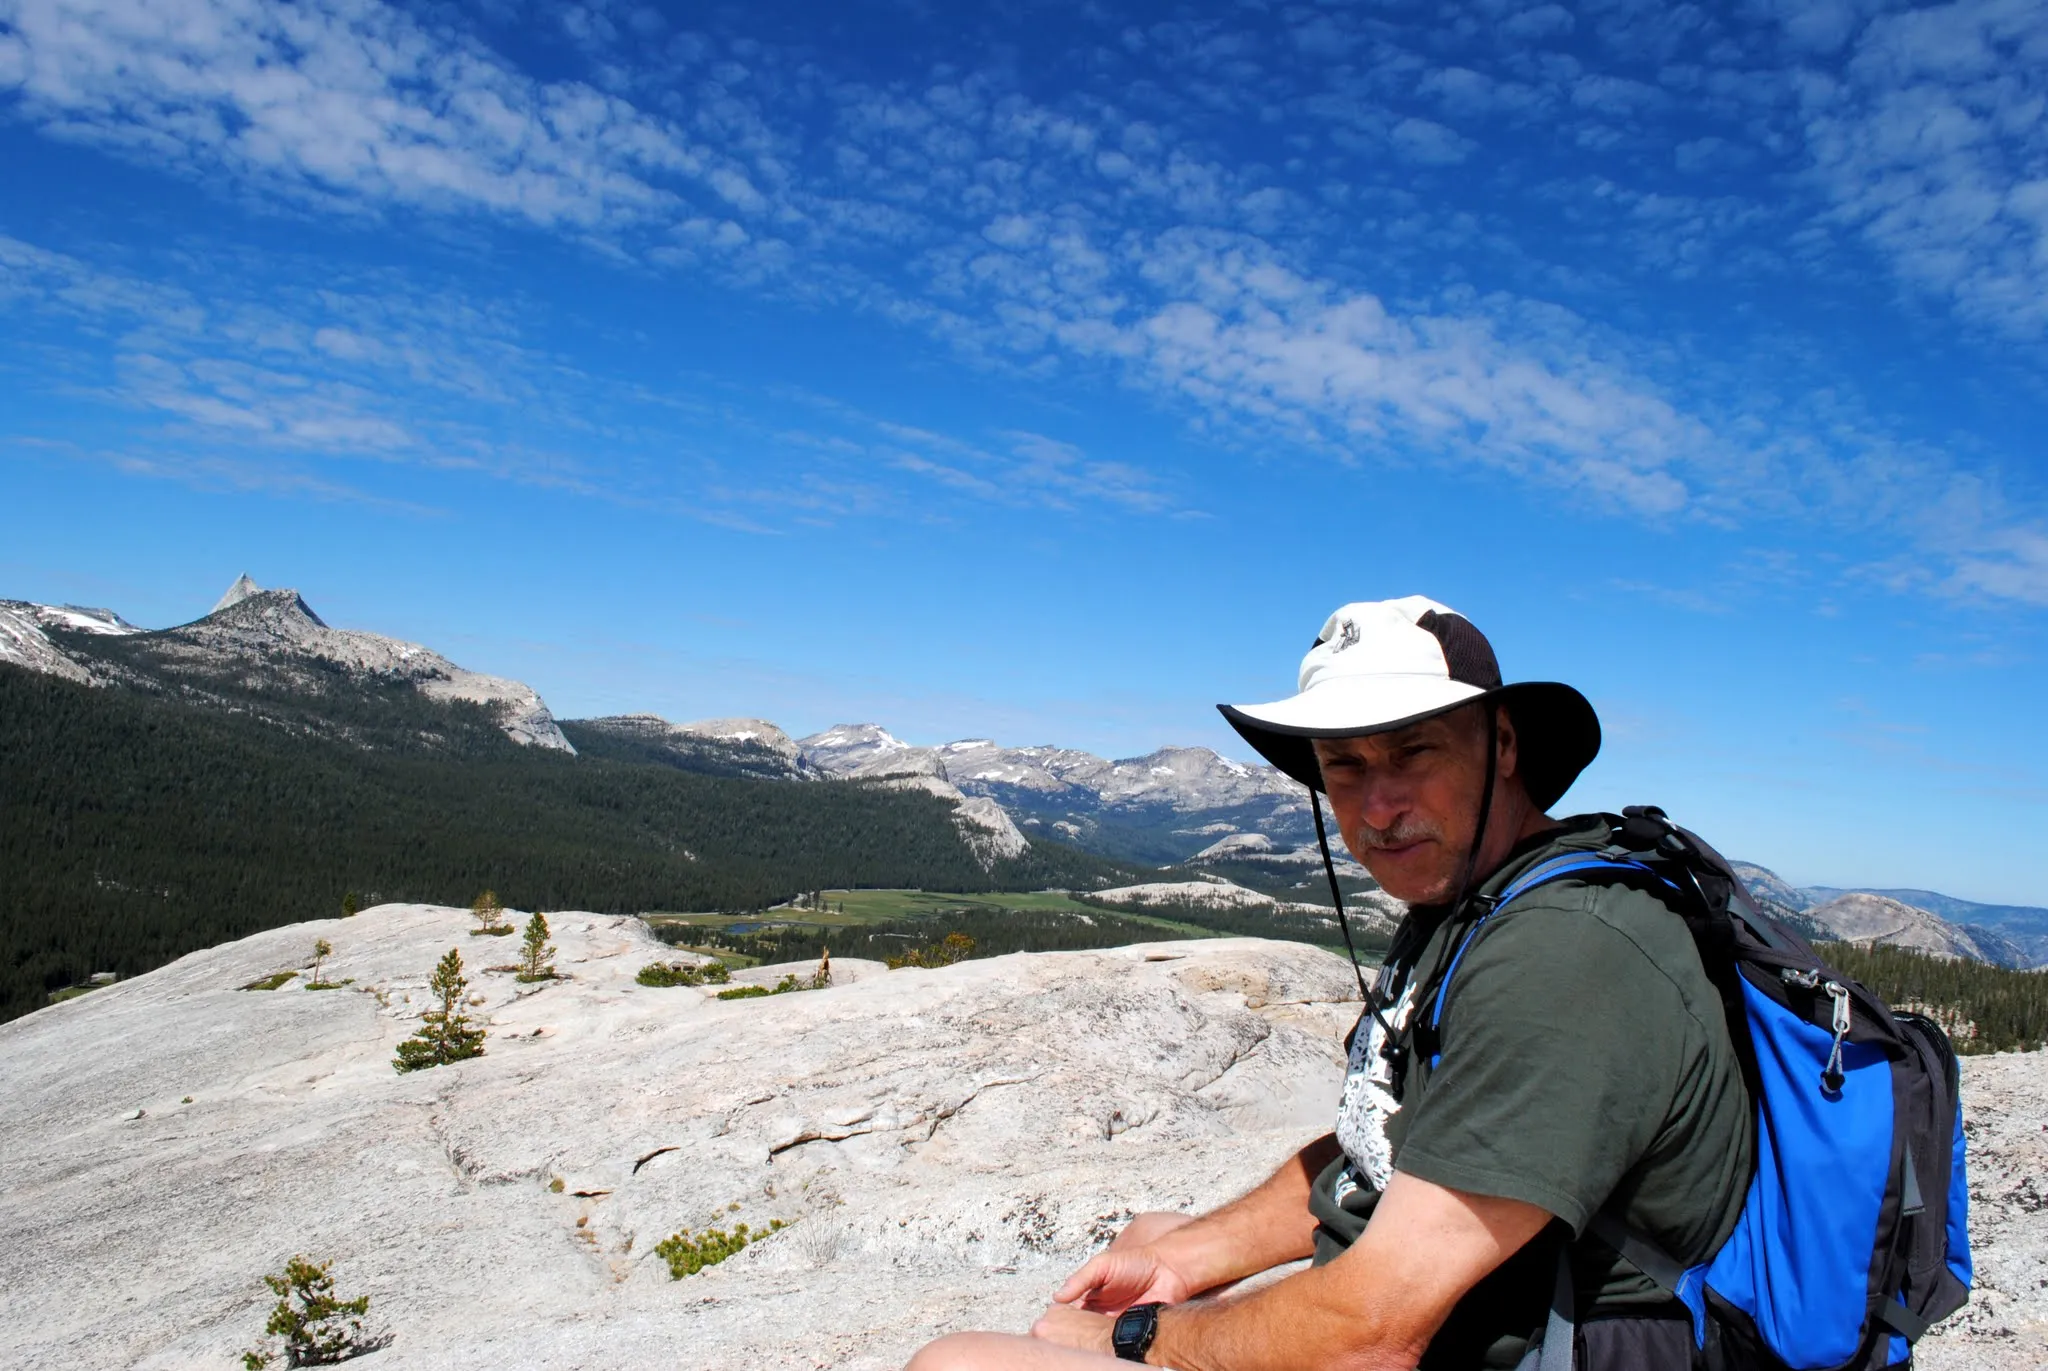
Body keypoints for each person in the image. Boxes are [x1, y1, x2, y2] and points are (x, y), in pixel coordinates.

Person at [907, 596, 1753, 1371]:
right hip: (1450, 1303)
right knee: (1160, 1235)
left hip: (1519, 1344)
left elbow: (1374, 1331)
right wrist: (1181, 1260)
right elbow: (1373, 1143)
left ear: (1502, 744)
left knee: (959, 1364)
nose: (1378, 806)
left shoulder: (1566, 950)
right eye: (1343, 764)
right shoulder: (1470, 901)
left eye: (1413, 750)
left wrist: (1134, 1338)